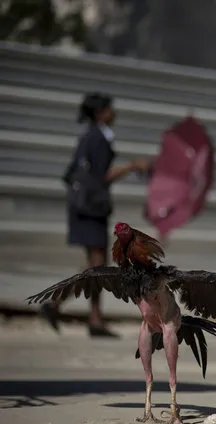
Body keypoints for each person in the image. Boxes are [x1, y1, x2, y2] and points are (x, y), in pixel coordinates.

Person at [41, 92, 151, 338]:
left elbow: (72, 174)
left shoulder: (89, 137)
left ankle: (94, 319)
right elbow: (104, 177)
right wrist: (133, 166)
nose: (114, 113)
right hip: (91, 208)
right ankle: (56, 305)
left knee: (97, 266)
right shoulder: (98, 138)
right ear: (101, 113)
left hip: (85, 207)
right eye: (110, 109)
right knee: (98, 267)